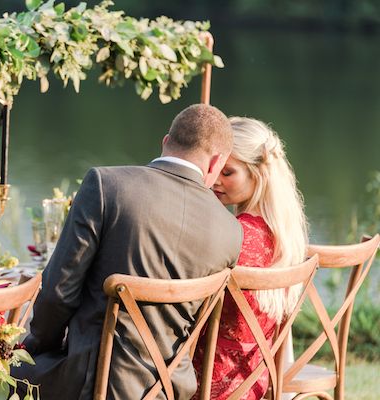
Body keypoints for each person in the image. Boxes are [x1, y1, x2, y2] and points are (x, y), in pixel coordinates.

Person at [14, 104, 243, 399]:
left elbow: (59, 293)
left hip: (90, 382)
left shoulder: (107, 185)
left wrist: (36, 348)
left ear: (165, 142)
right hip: (170, 388)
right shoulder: (230, 229)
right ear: (215, 163)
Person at [192, 117, 309, 399]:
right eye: (214, 168)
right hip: (255, 378)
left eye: (228, 173)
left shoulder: (234, 237)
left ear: (257, 174)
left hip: (204, 380)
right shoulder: (284, 234)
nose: (215, 180)